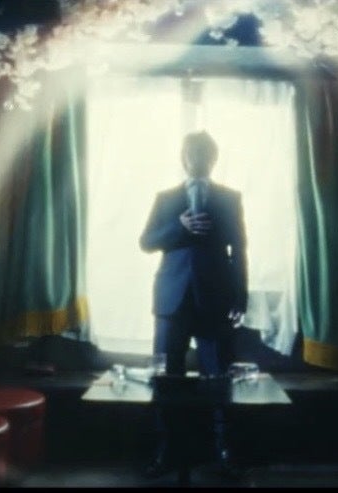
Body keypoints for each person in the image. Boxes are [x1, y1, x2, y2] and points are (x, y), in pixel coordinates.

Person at [138, 131, 248, 479]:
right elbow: (146, 242)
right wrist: (179, 227)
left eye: (202, 154)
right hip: (171, 300)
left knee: (220, 378)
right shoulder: (166, 198)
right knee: (166, 379)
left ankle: (225, 452)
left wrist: (241, 297)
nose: (195, 159)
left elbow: (239, 249)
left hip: (216, 300)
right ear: (182, 157)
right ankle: (167, 451)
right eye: (190, 153)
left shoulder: (230, 198)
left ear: (213, 159)